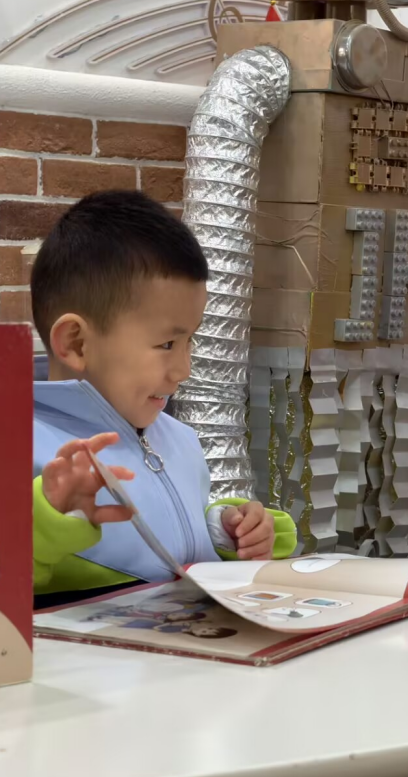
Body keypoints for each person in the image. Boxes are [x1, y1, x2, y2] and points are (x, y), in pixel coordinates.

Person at [31, 191, 297, 607]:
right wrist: (45, 516)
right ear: (77, 343)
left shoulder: (177, 438)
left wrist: (226, 530)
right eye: (167, 344)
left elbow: (172, 535)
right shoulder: (14, 447)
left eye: (190, 341)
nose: (183, 369)